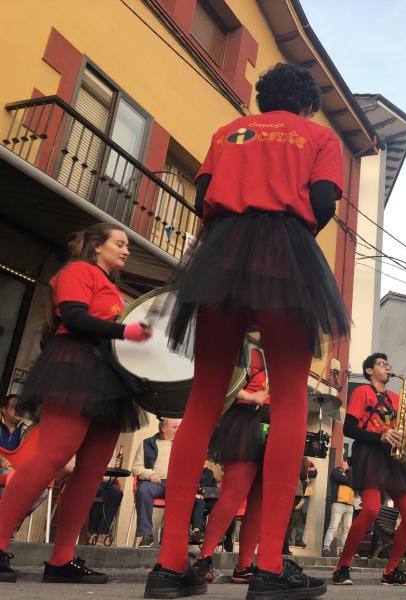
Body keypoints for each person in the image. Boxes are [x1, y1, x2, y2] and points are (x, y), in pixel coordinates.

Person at [143, 62, 349, 600]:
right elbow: (324, 203)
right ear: (306, 104)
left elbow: (203, 195)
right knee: (290, 400)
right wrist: (289, 240)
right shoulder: (318, 136)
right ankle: (271, 568)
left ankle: (168, 567)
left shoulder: (227, 131)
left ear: (262, 100)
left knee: (203, 399)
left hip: (223, 252)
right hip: (285, 251)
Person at [0, 223, 151, 584]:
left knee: (91, 471)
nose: (126, 250)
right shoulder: (78, 271)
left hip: (108, 376)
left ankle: (62, 559)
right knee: (52, 456)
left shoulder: (112, 288)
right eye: (119, 243)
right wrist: (125, 331)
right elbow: (74, 316)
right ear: (96, 246)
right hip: (75, 367)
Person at [331, 353, 406, 586]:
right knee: (370, 509)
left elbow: (399, 430)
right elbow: (349, 429)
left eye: (388, 364)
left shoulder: (394, 396)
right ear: (369, 371)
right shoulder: (362, 392)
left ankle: (391, 571)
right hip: (370, 454)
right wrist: (380, 436)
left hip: (392, 458)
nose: (388, 368)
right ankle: (342, 566)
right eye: (382, 364)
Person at [195, 346, 270, 584]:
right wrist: (250, 396)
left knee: (259, 501)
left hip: (272, 425)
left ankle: (245, 565)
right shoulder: (249, 351)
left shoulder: (282, 358)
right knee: (234, 494)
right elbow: (222, 383)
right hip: (244, 422)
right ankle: (204, 558)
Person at [132, 418, 198, 547]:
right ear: (163, 428)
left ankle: (167, 537)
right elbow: (135, 468)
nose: (178, 430)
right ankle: (146, 535)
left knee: (183, 496)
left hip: (174, 484)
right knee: (143, 490)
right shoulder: (147, 443)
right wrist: (150, 474)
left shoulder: (182, 445)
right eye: (175, 427)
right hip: (154, 483)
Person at [322, 457, 355, 557]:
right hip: (338, 503)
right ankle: (326, 547)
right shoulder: (335, 471)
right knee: (333, 526)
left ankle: (344, 550)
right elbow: (344, 480)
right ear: (344, 462)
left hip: (350, 505)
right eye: (348, 463)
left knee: (346, 529)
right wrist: (350, 479)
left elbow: (354, 483)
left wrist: (350, 477)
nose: (349, 466)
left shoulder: (350, 474)